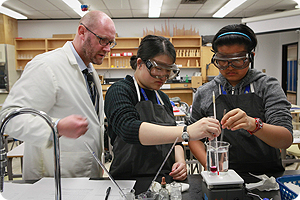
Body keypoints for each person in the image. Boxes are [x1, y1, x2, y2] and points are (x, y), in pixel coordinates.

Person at [0, 10, 116, 180]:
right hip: (52, 179)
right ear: (82, 32)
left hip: (85, 176)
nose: (107, 49)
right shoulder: (46, 66)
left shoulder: (90, 73)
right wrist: (57, 127)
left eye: (111, 42)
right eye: (102, 40)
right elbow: (9, 117)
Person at [104, 35, 221, 183]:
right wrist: (187, 131)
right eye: (158, 69)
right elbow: (128, 128)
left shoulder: (163, 98)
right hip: (128, 180)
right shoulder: (120, 91)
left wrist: (180, 162)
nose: (162, 77)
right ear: (140, 63)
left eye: (168, 71)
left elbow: (175, 140)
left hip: (165, 179)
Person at [189, 24, 293, 174]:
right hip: (220, 176)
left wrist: (253, 124)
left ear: (251, 57)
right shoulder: (205, 92)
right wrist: (209, 165)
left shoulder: (267, 86)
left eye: (238, 60)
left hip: (265, 176)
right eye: (222, 60)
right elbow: (193, 137)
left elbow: (285, 139)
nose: (229, 67)